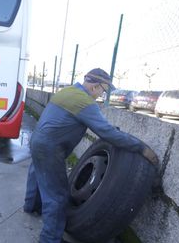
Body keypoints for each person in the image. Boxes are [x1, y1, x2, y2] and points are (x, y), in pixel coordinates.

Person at [23, 68, 158, 243]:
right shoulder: (85, 103)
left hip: (38, 140)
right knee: (57, 196)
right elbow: (107, 133)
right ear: (95, 86)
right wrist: (140, 148)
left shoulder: (67, 91)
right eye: (103, 89)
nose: (102, 94)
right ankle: (49, 239)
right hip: (50, 148)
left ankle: (30, 206)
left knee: (38, 174)